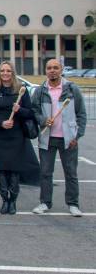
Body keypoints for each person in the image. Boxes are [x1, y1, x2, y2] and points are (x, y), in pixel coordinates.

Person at [32, 59, 87, 217]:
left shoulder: (71, 89)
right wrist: (43, 120)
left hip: (68, 139)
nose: (52, 70)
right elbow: (34, 110)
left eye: (56, 68)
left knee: (71, 173)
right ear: (45, 70)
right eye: (49, 68)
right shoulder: (40, 90)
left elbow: (81, 114)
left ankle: (73, 204)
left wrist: (78, 135)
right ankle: (45, 202)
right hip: (47, 138)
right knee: (45, 173)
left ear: (61, 69)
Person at [0, 61, 38, 215]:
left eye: (8, 71)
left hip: (16, 135)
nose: (5, 73)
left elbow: (30, 112)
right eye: (2, 71)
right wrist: (1, 123)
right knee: (1, 170)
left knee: (14, 170)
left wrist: (19, 109)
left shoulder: (21, 90)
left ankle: (13, 201)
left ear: (12, 72)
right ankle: (4, 200)